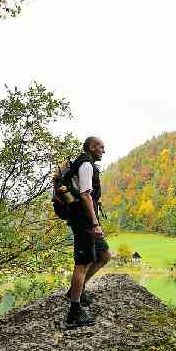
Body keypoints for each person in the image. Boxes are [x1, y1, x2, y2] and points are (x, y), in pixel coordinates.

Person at [64, 136, 111, 329]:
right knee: (82, 264)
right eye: (101, 147)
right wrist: (94, 223)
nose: (103, 151)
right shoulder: (85, 165)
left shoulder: (87, 163)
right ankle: (74, 312)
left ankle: (77, 291)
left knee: (104, 255)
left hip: (88, 219)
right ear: (91, 147)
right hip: (84, 221)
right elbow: (85, 195)